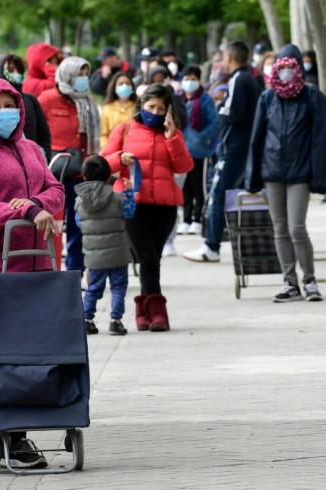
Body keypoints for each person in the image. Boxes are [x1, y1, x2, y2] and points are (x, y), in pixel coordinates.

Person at [0, 77, 64, 469]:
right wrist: (23, 211)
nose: (3, 113)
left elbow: (56, 190)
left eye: (10, 104)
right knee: (3, 355)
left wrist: (37, 202)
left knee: (32, 353)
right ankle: (11, 437)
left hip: (36, 264)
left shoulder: (32, 147)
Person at [101, 84, 193, 332]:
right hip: (133, 204)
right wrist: (119, 158)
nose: (155, 111)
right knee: (147, 257)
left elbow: (184, 166)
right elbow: (103, 162)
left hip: (165, 206)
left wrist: (172, 138)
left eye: (161, 108)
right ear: (141, 105)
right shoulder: (125, 129)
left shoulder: (173, 133)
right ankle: (158, 311)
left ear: (168, 111)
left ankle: (142, 312)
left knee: (152, 260)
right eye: (151, 106)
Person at [245, 44, 326, 302]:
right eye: (280, 66)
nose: (285, 71)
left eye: (289, 66)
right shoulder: (267, 97)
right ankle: (289, 282)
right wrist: (252, 177)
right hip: (272, 173)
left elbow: (322, 140)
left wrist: (318, 177)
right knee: (280, 228)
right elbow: (256, 139)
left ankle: (310, 280)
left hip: (300, 174)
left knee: (296, 228)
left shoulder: (313, 97)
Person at [183, 41, 260, 263]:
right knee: (231, 196)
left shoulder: (238, 79)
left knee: (218, 194)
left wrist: (220, 109)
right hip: (242, 147)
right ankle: (231, 244)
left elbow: (233, 113)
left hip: (234, 148)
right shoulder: (251, 79)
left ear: (230, 58)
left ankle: (212, 246)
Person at [38, 56, 101, 274]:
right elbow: (37, 135)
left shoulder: (88, 102)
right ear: (66, 75)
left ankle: (75, 272)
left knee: (78, 225)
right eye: (79, 74)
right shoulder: (46, 99)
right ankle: (51, 270)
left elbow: (92, 140)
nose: (83, 79)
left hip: (79, 174)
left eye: (85, 74)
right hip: (52, 174)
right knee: (52, 225)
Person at [75, 155, 133, 335]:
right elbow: (129, 213)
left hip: (94, 256)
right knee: (118, 287)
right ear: (109, 176)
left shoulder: (79, 201)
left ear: (84, 177)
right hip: (118, 255)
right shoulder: (117, 198)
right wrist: (130, 193)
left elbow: (79, 223)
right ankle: (115, 321)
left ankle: (87, 320)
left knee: (93, 288)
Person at [176, 65, 218, 236]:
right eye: (186, 79)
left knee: (199, 187)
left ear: (199, 80)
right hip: (182, 152)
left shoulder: (205, 99)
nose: (189, 82)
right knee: (185, 188)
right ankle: (186, 219)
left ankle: (197, 219)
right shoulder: (178, 99)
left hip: (200, 151)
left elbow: (214, 123)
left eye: (193, 79)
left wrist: (201, 137)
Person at [0, 53, 52, 161]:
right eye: (11, 69)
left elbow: (44, 135)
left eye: (19, 70)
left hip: (32, 163)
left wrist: (42, 157)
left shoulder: (30, 100)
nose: (16, 74)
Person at [100, 72, 137, 148]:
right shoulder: (107, 108)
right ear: (114, 87)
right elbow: (103, 134)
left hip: (132, 149)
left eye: (127, 83)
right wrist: (108, 149)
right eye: (121, 83)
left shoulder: (137, 107)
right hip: (111, 150)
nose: (125, 86)